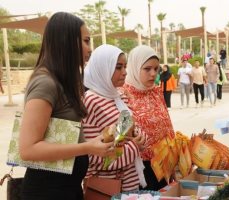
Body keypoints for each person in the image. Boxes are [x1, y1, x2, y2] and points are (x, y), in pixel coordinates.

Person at [18, 12, 113, 200]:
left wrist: (95, 142)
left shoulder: (61, 81)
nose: (89, 49)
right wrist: (87, 148)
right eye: (86, 41)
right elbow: (28, 149)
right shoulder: (46, 83)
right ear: (66, 41)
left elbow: (61, 138)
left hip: (66, 188)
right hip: (47, 191)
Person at [82, 44, 147, 192]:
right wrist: (134, 147)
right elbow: (93, 157)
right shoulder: (91, 101)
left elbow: (132, 131)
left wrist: (140, 138)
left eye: (125, 66)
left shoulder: (118, 96)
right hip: (106, 189)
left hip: (130, 184)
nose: (124, 72)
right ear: (102, 68)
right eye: (118, 67)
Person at [122, 45, 175, 191]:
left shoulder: (156, 92)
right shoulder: (123, 95)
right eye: (147, 69)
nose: (153, 74)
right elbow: (121, 136)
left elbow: (168, 125)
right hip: (139, 169)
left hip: (164, 164)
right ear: (134, 67)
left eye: (156, 69)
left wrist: (175, 157)